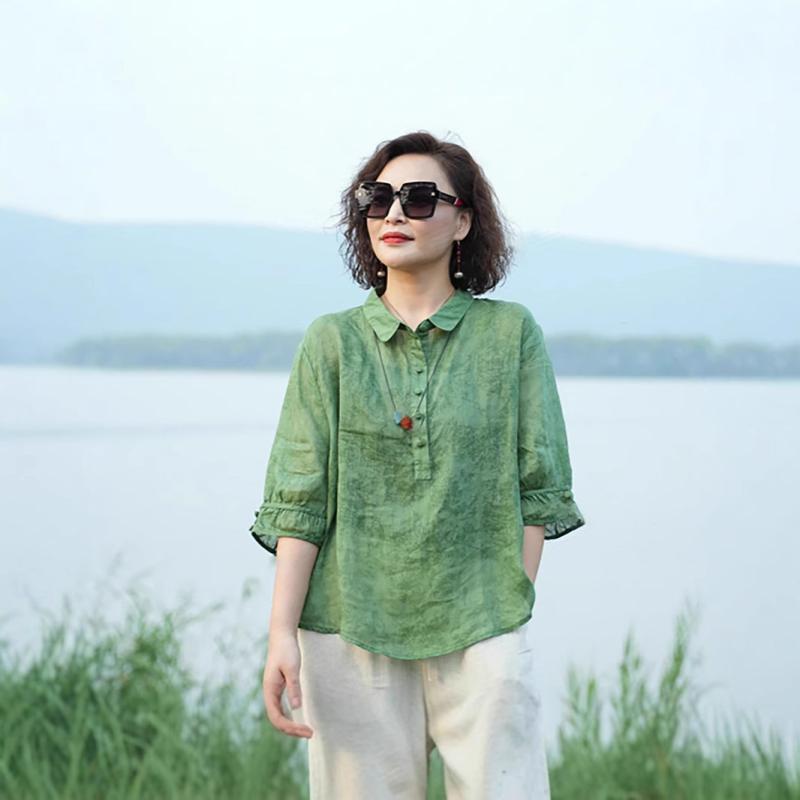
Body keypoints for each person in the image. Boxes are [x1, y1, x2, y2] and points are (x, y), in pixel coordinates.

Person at [248, 130, 586, 799]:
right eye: (378, 199)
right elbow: (299, 501)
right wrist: (281, 633)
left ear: (463, 221)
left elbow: (539, 488)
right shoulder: (331, 342)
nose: (395, 213)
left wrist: (510, 604)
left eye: (420, 197)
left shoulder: (510, 334)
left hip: (484, 623)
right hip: (348, 622)